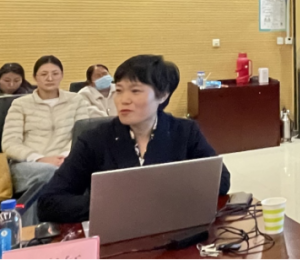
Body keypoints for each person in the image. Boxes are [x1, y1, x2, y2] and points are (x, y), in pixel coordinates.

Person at [38, 55, 230, 224]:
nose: (123, 99)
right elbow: (49, 202)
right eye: (119, 90)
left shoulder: (185, 131)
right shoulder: (94, 140)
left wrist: (167, 194)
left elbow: (220, 180)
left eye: (135, 91)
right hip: (115, 231)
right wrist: (109, 204)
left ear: (162, 95)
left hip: (173, 227)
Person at [1, 56, 90, 224]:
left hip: (67, 160)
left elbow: (82, 134)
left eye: (55, 73)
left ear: (62, 75)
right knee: (49, 173)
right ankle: (32, 231)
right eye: (44, 74)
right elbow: (9, 143)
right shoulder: (20, 104)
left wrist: (67, 156)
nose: (50, 78)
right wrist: (39, 158)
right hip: (27, 164)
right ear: (35, 77)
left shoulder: (76, 100)